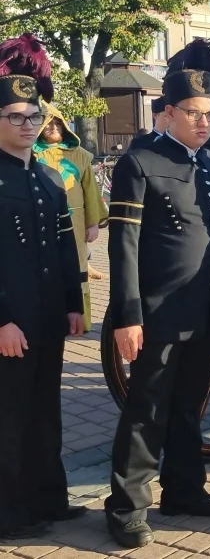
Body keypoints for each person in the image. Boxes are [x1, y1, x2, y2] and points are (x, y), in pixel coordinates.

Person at [105, 40, 210, 548]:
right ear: (167, 114)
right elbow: (124, 248)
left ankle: (184, 491)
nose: (205, 123)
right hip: (156, 312)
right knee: (147, 410)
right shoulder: (139, 163)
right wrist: (127, 315)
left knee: (188, 407)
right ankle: (126, 506)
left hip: (204, 310)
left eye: (209, 113)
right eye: (194, 114)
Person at [0, 34, 84, 540]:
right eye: (14, 117)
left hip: (49, 317)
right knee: (8, 419)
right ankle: (9, 512)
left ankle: (47, 498)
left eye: (33, 117)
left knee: (45, 412)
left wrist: (73, 306)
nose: (27, 125)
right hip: (10, 320)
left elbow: (66, 249)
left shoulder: (50, 179)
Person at [33, 103, 108, 333]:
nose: (53, 127)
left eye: (58, 123)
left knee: (77, 267)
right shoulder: (30, 155)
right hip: (40, 221)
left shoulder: (81, 156)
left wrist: (93, 223)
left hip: (75, 222)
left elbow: (91, 191)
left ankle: (80, 318)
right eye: (48, 123)